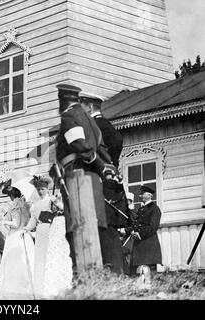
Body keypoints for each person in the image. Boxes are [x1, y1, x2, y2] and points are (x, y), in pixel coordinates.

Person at [54, 84, 116, 270]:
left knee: (76, 225)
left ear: (62, 101)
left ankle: (81, 274)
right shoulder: (91, 120)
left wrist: (97, 164)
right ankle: (100, 268)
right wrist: (106, 169)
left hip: (76, 177)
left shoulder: (68, 116)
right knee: (96, 224)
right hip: (93, 178)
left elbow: (80, 145)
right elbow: (103, 148)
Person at [0, 185, 36, 300]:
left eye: (9, 195)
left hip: (15, 237)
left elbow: (16, 224)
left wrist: (5, 222)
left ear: (12, 195)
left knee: (15, 264)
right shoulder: (26, 206)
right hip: (25, 235)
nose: (9, 198)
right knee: (28, 263)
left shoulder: (15, 206)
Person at [120, 186, 162, 286]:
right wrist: (125, 230)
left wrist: (140, 234)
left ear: (149, 195)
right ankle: (143, 286)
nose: (140, 196)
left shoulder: (155, 209)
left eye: (142, 194)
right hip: (140, 242)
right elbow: (135, 225)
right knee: (141, 265)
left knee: (147, 264)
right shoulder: (141, 209)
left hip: (149, 240)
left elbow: (153, 227)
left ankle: (148, 285)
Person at [80, 92, 124, 169]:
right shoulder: (105, 123)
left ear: (90, 107)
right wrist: (113, 161)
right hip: (109, 169)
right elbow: (118, 141)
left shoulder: (91, 125)